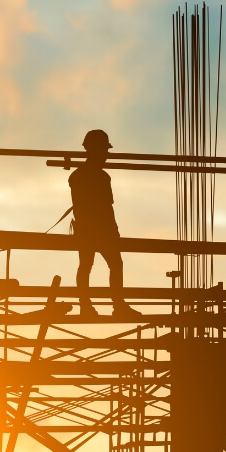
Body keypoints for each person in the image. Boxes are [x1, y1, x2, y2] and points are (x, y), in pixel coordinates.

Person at [69, 129, 138, 317]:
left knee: (86, 266)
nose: (106, 156)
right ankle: (116, 305)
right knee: (113, 265)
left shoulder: (78, 176)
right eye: (104, 151)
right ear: (95, 150)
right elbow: (106, 208)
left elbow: (85, 207)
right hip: (100, 231)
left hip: (86, 231)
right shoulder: (100, 177)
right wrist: (113, 232)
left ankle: (86, 306)